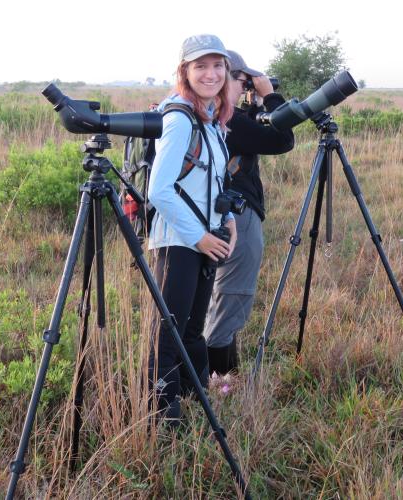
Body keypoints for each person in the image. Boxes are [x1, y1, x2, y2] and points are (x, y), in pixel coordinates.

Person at [147, 34, 237, 421]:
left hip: (204, 239)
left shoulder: (211, 117)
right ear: (184, 71)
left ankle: (194, 401)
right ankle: (163, 419)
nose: (211, 73)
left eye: (218, 66)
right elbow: (159, 190)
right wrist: (199, 237)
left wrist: (227, 221)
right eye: (200, 66)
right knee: (167, 335)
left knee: (191, 331)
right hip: (179, 242)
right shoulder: (181, 117)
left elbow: (211, 181)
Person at [204, 50, 295, 375]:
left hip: (211, 215)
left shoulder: (208, 115)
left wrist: (254, 105)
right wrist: (271, 98)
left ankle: (217, 373)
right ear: (225, 79)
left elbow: (249, 133)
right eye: (242, 82)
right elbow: (283, 140)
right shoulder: (229, 120)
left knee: (217, 296)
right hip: (237, 218)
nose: (244, 89)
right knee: (232, 296)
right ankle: (220, 378)